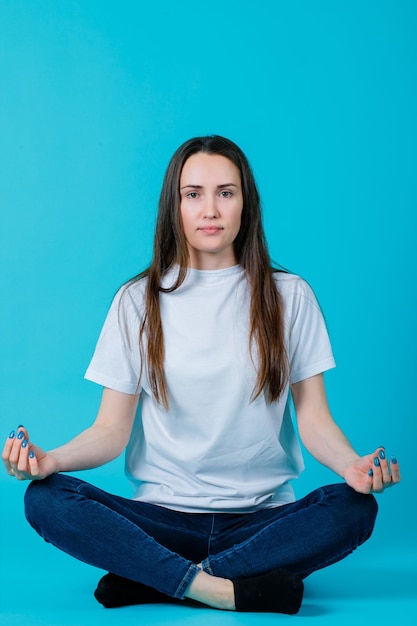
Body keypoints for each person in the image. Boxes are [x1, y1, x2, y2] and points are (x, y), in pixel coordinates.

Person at [2, 135, 400, 615]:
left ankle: (155, 577)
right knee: (46, 499)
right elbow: (110, 431)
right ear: (175, 204)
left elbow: (313, 417)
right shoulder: (137, 301)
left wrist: (350, 466)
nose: (210, 209)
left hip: (263, 521)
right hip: (162, 518)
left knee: (354, 508)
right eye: (193, 194)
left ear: (244, 203)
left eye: (225, 192)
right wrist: (51, 461)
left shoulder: (290, 296)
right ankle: (221, 589)